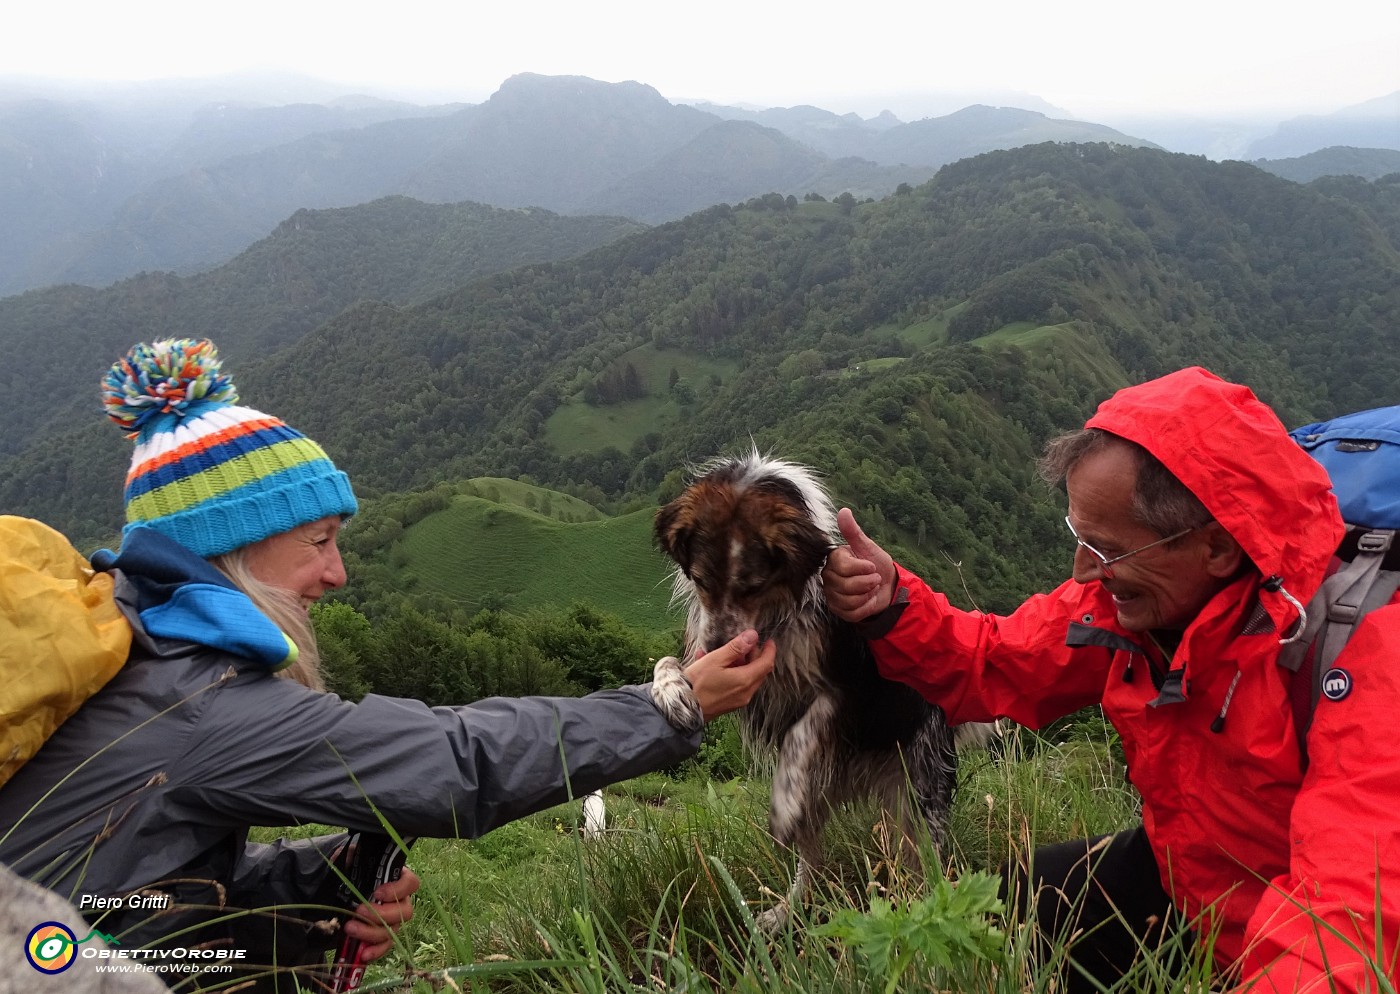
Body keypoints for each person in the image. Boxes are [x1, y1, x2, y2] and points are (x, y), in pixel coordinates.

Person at [0, 339, 775, 991]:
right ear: (230, 547)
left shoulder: (131, 640)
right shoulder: (199, 698)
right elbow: (455, 760)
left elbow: (129, 887)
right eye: (319, 540)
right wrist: (667, 707)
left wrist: (316, 884)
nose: (337, 573)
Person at [822, 366, 1399, 993]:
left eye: (1107, 548)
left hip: (1282, 927)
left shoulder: (1364, 652)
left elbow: (1346, 926)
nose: (1084, 570)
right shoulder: (1134, 610)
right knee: (1006, 906)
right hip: (1194, 882)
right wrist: (890, 605)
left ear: (1216, 548)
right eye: (1080, 536)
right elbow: (995, 661)